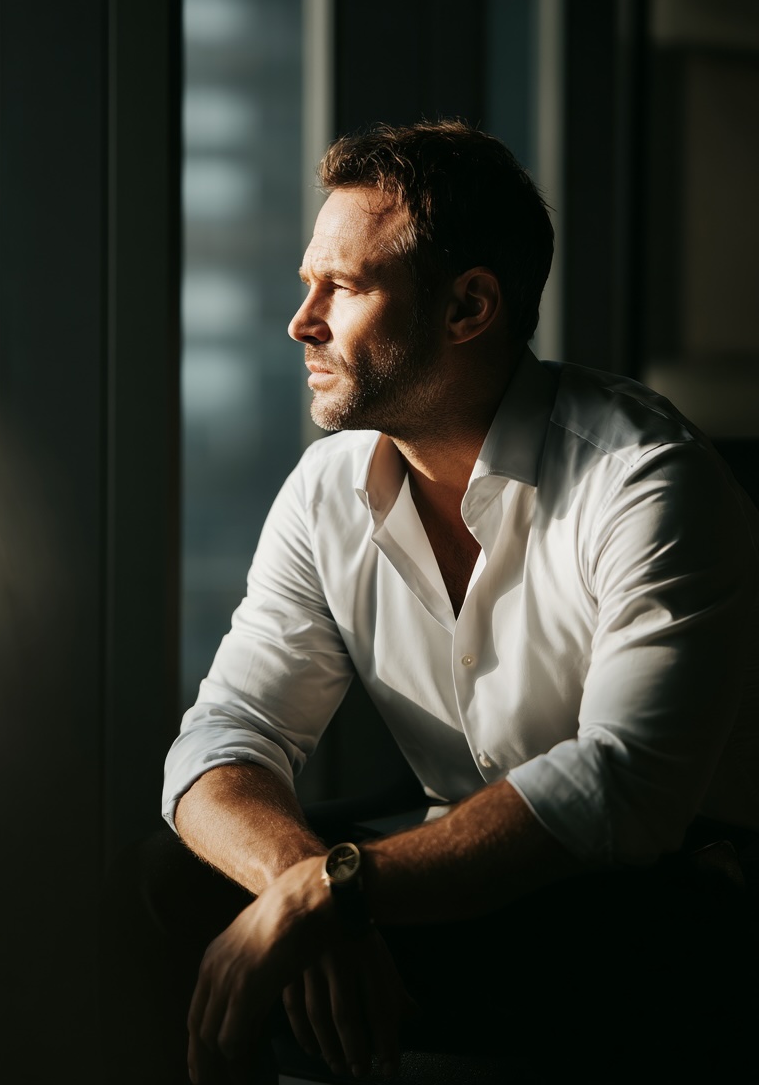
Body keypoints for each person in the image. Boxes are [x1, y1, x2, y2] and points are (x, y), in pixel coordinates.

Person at [101, 119, 759, 1085]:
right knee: (168, 880)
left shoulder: (646, 481)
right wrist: (310, 887)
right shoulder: (327, 490)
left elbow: (625, 789)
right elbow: (225, 737)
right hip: (461, 859)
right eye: (305, 284)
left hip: (680, 889)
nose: (303, 322)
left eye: (346, 287)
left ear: (468, 307)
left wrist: (342, 893)